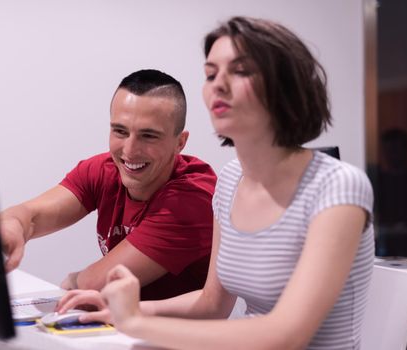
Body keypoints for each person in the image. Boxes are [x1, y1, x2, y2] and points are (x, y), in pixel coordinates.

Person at [56, 17, 375, 349]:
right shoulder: (231, 179)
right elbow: (212, 304)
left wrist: (136, 322)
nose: (218, 84)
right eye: (211, 74)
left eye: (240, 71)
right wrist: (120, 310)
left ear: (286, 87)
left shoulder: (338, 186)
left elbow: (287, 335)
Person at [0, 69, 217, 300]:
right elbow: (29, 217)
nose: (130, 151)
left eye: (148, 136)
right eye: (120, 131)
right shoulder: (103, 170)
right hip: (117, 327)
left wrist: (76, 279)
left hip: (173, 335)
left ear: (180, 142)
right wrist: (12, 227)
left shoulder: (193, 197)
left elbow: (94, 283)